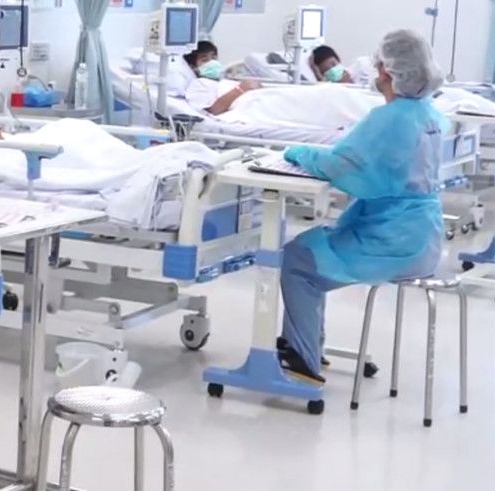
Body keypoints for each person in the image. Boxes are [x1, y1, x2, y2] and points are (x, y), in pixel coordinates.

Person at [277, 29, 445, 385]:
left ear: (387, 70)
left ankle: (302, 361)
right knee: (311, 246)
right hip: (423, 236)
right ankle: (307, 345)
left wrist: (296, 153)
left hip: (393, 241)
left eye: (378, 63)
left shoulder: (390, 117)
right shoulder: (428, 114)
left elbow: (339, 165)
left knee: (298, 258)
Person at [179, 40, 260, 114]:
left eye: (214, 58)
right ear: (193, 67)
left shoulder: (222, 80)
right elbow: (213, 110)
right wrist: (241, 89)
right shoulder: (199, 84)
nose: (212, 62)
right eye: (205, 60)